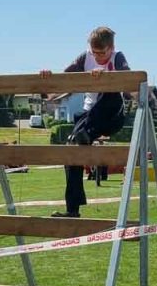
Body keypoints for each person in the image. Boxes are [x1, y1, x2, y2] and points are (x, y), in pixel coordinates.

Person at [41, 25, 131, 218]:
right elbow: (65, 79)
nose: (97, 57)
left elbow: (130, 81)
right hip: (88, 117)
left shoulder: (118, 57)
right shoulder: (85, 58)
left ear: (111, 48)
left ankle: (85, 134)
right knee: (71, 150)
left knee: (109, 93)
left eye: (102, 53)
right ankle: (73, 209)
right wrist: (48, 79)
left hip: (111, 115)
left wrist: (106, 77)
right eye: (94, 52)